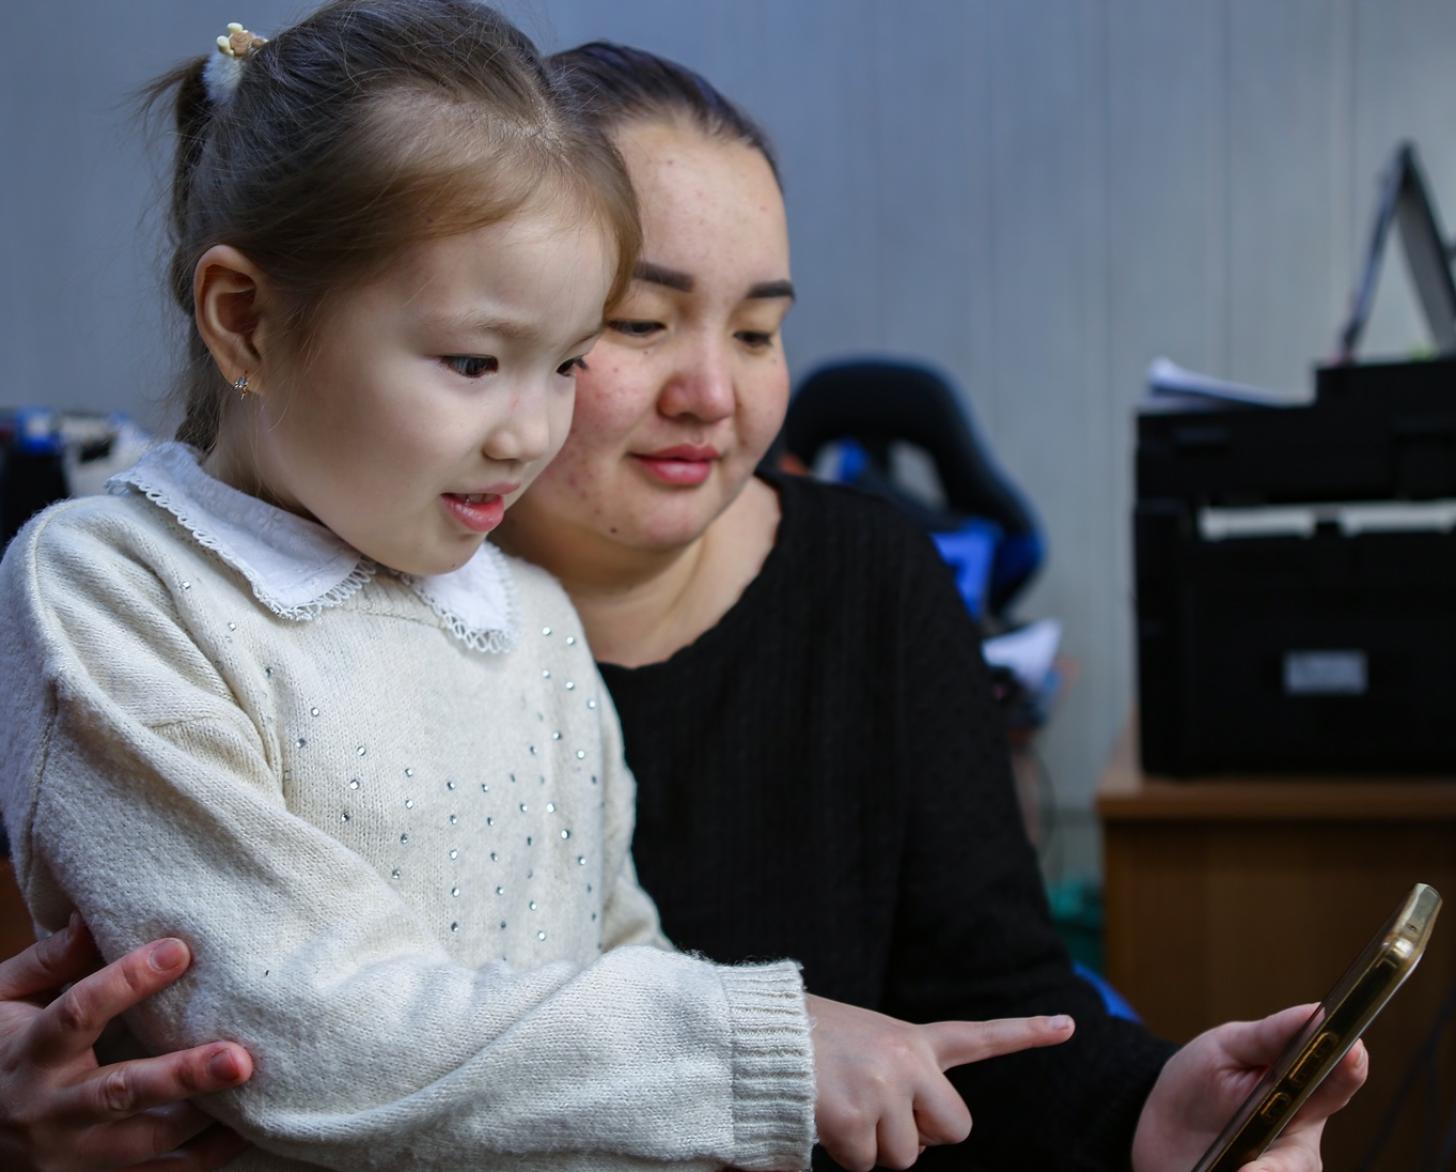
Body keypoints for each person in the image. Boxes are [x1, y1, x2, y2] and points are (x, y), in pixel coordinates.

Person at [0, 30, 1364, 1172]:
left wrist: (1150, 1113)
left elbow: (806, 988)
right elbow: (284, 1025)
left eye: (759, 331)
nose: (712, 393)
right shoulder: (132, 594)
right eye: (638, 327)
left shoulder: (568, 615)